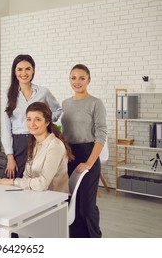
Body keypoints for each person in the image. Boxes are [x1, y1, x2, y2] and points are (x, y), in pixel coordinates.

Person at [61, 64, 107, 238]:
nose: (77, 82)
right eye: (73, 78)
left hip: (88, 154)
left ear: (89, 80)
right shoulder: (65, 104)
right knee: (71, 203)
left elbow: (101, 134)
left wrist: (89, 162)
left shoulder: (96, 103)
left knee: (86, 208)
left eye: (82, 78)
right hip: (69, 155)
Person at [1, 54, 62, 179]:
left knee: (37, 180)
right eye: (20, 69)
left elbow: (58, 109)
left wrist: (47, 121)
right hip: (18, 143)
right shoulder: (8, 94)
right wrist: (10, 156)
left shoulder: (43, 92)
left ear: (33, 70)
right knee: (13, 180)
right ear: (14, 71)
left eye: (28, 69)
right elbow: (5, 127)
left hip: (39, 140)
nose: (24, 73)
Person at [0, 102, 73, 193]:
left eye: (37, 119)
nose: (32, 124)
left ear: (47, 122)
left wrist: (12, 181)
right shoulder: (34, 143)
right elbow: (26, 176)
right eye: (29, 119)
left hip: (53, 198)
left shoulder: (55, 146)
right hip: (36, 194)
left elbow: (42, 184)